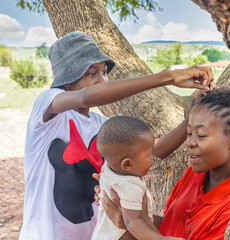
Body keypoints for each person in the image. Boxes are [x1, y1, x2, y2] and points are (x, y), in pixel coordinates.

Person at [19, 31, 213, 240]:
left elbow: (159, 149)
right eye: (92, 74)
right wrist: (167, 77)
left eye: (104, 72)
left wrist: (192, 117)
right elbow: (85, 96)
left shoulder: (105, 127)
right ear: (67, 82)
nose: (102, 80)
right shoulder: (47, 111)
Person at [96, 87, 230, 240]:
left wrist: (127, 225)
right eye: (189, 133)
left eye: (200, 135)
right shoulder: (195, 173)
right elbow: (170, 225)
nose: (189, 143)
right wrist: (127, 205)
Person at [91, 116, 184, 240]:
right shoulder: (129, 186)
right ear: (127, 164)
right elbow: (132, 223)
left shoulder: (109, 166)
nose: (152, 160)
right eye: (149, 155)